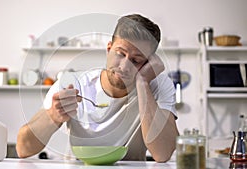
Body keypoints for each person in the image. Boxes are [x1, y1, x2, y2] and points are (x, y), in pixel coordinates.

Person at [16, 13, 179, 162]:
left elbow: (162, 154)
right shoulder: (73, 83)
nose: (124, 66)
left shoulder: (158, 85)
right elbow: (23, 149)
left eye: (136, 60)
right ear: (109, 49)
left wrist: (143, 83)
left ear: (148, 63)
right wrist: (53, 115)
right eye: (120, 54)